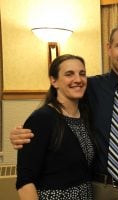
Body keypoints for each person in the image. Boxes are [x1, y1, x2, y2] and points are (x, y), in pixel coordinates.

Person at [10, 23, 118, 200]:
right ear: (109, 48)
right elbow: (56, 112)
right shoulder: (88, 87)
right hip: (98, 190)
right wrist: (23, 135)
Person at [16, 54, 96, 200]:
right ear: (54, 81)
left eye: (82, 74)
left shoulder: (85, 116)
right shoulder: (42, 119)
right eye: (69, 74)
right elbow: (25, 181)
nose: (78, 80)